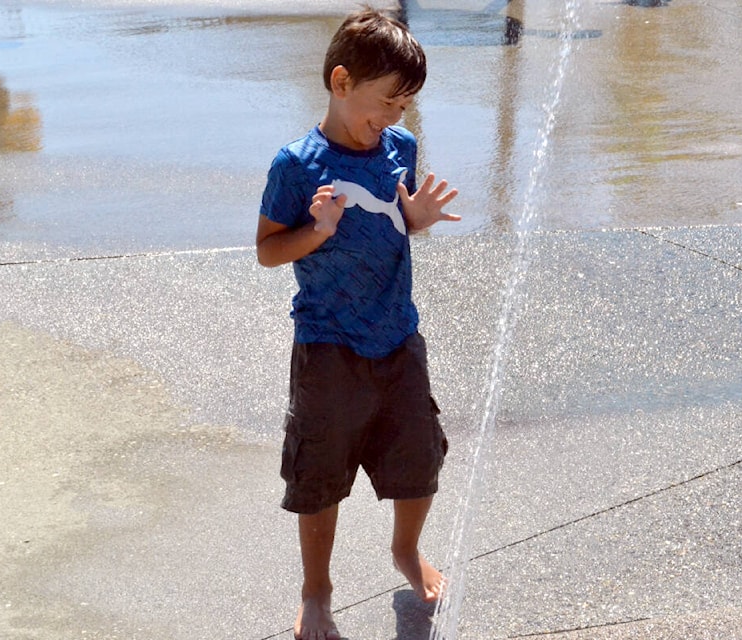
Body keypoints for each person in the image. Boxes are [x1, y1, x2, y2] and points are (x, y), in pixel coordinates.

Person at [255, 8, 459, 640]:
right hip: (327, 341)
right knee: (319, 472)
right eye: (387, 102)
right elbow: (267, 249)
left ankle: (405, 550)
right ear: (341, 83)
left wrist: (418, 218)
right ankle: (317, 588)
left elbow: (396, 222)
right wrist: (316, 232)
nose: (394, 118)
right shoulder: (297, 164)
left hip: (397, 331)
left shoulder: (398, 147)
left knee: (418, 455)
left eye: (405, 105)